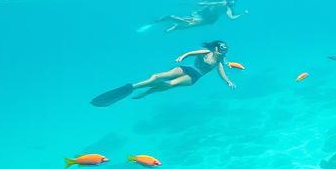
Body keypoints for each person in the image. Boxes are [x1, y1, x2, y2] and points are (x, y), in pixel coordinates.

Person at [91, 40, 235, 106]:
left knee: (170, 84)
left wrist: (228, 81)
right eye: (221, 50)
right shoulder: (206, 51)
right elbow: (191, 53)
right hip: (188, 68)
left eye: (224, 51)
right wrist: (183, 56)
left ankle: (146, 93)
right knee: (158, 76)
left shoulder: (219, 62)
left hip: (194, 76)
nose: (222, 52)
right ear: (215, 48)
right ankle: (133, 86)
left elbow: (222, 74)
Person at [158, 0, 242, 32]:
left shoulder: (227, 8)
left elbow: (231, 17)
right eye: (232, 1)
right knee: (189, 23)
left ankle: (171, 23)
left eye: (234, 2)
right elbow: (211, 4)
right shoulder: (222, 4)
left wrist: (241, 15)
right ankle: (170, 19)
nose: (233, 3)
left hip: (207, 19)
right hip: (206, 18)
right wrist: (202, 4)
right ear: (228, 0)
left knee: (189, 23)